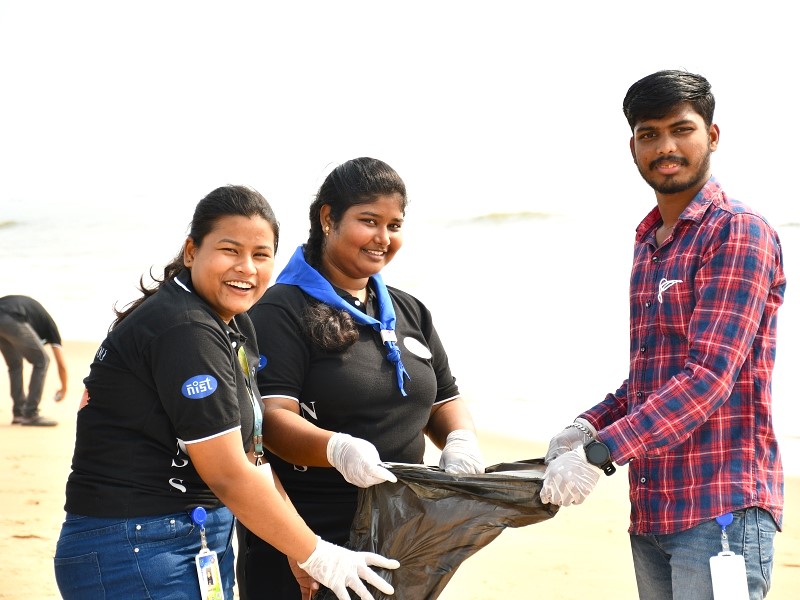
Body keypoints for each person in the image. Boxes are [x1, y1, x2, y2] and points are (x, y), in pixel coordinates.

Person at [54, 185, 399, 600]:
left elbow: (253, 456)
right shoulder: (186, 329)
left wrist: (298, 545)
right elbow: (227, 473)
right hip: (135, 545)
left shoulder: (232, 323)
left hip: (192, 536)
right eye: (230, 250)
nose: (246, 268)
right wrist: (318, 554)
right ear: (191, 251)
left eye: (261, 255)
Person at [540, 70, 785, 599]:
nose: (665, 147)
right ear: (632, 146)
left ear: (712, 136)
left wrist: (601, 452)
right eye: (649, 134)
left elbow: (707, 378)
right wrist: (585, 426)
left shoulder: (737, 231)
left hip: (721, 511)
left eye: (681, 129)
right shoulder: (652, 241)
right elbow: (652, 378)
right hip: (653, 510)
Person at [236, 157, 485, 599]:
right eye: (369, 221)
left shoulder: (409, 310)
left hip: (401, 538)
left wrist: (460, 440)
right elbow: (270, 420)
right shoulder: (280, 311)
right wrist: (337, 449)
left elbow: (444, 398)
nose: (383, 238)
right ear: (327, 219)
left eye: (394, 225)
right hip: (310, 545)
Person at [0, 294, 68, 426]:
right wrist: (64, 388)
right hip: (12, 317)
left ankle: (19, 413)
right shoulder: (51, 328)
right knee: (42, 361)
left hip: (7, 313)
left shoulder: (36, 320)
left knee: (15, 365)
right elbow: (61, 364)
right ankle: (31, 413)